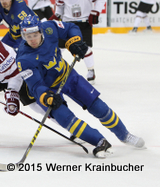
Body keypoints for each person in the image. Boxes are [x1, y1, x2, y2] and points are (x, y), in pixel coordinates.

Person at [17, 15, 145, 158]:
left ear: (41, 31)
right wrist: (46, 97)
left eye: (35, 35)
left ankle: (125, 135)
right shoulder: (23, 59)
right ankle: (99, 141)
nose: (32, 39)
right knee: (66, 119)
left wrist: (74, 42)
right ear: (23, 35)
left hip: (68, 75)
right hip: (49, 89)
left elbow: (71, 28)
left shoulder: (50, 27)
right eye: (28, 36)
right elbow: (35, 85)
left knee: (98, 107)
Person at [49, 0, 106, 84]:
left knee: (85, 48)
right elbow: (60, 5)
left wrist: (96, 11)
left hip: (84, 22)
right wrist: (57, 15)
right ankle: (52, 70)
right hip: (66, 23)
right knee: (58, 48)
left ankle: (91, 70)